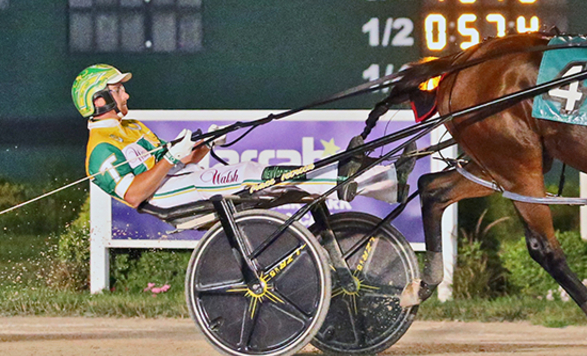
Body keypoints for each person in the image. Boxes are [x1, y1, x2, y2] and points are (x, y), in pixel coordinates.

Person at [72, 64, 410, 211]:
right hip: (166, 197)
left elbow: (178, 162)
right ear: (99, 100)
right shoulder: (100, 151)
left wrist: (201, 147)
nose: (126, 94)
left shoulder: (131, 127)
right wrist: (172, 158)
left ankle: (381, 179)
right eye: (118, 90)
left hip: (179, 181)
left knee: (254, 171)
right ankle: (354, 178)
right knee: (249, 173)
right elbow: (133, 195)